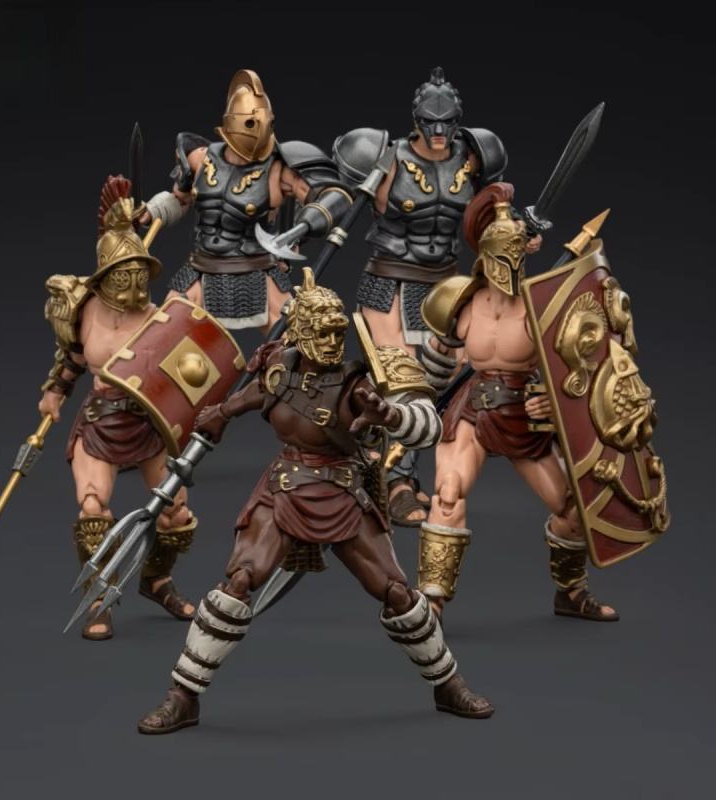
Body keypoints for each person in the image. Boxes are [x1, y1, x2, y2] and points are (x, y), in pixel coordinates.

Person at [136, 268, 494, 733]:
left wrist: (388, 414)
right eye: (321, 332)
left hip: (342, 489)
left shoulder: (360, 383)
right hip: (285, 485)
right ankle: (183, 695)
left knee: (396, 592)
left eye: (337, 332)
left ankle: (447, 683)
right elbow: (262, 390)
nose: (331, 341)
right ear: (301, 331)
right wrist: (222, 412)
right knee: (239, 580)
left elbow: (427, 425)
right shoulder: (281, 364)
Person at [333, 67, 541, 525]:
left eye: (448, 123)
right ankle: (392, 483)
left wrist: (517, 235)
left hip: (447, 286)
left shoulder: (475, 157)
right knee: (403, 383)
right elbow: (335, 196)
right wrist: (311, 223)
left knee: (445, 387)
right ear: (417, 119)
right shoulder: (384, 157)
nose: (440, 131)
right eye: (431, 122)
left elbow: (493, 215)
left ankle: (390, 470)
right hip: (389, 282)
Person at [418, 182, 617, 621]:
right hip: (470, 409)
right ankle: (430, 604)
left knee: (571, 509)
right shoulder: (458, 301)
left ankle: (570, 592)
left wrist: (552, 400)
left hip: (521, 413)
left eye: (517, 253)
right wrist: (409, 416)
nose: (508, 265)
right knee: (447, 494)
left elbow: (577, 376)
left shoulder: (543, 308)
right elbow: (433, 369)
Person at [39, 176, 196, 640]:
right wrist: (55, 392)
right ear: (107, 276)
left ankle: (157, 581)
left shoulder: (161, 317)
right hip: (101, 421)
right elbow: (72, 358)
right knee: (93, 510)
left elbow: (187, 375)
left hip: (148, 421)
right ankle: (99, 598)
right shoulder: (84, 310)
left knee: (176, 514)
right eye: (124, 276)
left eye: (139, 276)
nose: (133, 285)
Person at [141, 68, 352, 333]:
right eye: (250, 124)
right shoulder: (199, 158)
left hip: (259, 271)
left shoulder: (279, 169)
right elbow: (180, 199)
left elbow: (335, 195)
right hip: (201, 271)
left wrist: (304, 226)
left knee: (297, 340)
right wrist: (152, 211)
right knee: (158, 338)